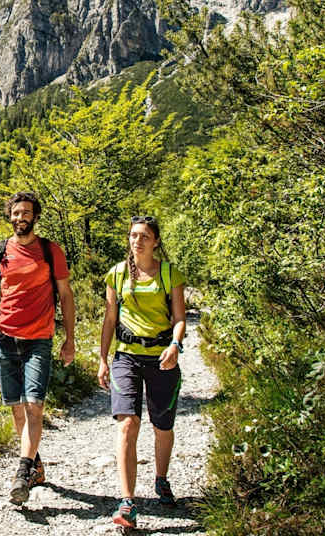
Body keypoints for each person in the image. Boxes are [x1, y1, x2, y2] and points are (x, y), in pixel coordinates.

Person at [0, 191, 76, 505]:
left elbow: (66, 295)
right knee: (16, 407)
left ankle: (22, 471)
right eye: (15, 213)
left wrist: (70, 338)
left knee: (34, 405)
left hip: (39, 338)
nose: (20, 218)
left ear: (35, 217)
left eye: (26, 213)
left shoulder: (50, 251)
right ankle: (35, 465)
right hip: (5, 337)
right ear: (10, 216)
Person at [98, 215, 187, 530]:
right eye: (134, 235)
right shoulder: (117, 274)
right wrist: (103, 359)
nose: (138, 241)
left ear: (156, 241)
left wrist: (175, 344)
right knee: (127, 423)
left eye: (145, 236)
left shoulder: (168, 274)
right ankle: (127, 501)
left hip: (162, 356)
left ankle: (161, 479)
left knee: (162, 425)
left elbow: (179, 317)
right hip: (126, 357)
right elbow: (110, 319)